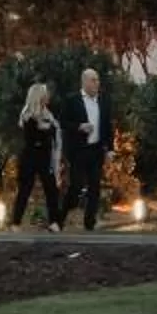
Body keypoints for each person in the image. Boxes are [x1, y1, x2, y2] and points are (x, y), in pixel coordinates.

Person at [61, 66, 112, 231]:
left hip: (96, 150)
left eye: (98, 80)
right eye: (93, 80)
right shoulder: (72, 100)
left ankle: (90, 223)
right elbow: (63, 122)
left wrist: (110, 149)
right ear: (84, 82)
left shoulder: (103, 101)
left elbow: (107, 126)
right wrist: (79, 126)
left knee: (95, 187)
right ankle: (59, 219)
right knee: (76, 186)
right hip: (79, 151)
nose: (97, 83)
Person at [12, 79, 66, 231]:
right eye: (45, 94)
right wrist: (46, 130)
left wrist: (50, 130)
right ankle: (15, 222)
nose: (48, 96)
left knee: (51, 189)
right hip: (30, 157)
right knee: (25, 189)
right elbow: (33, 137)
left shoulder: (48, 115)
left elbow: (53, 132)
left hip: (45, 157)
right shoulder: (28, 116)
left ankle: (54, 222)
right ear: (38, 96)